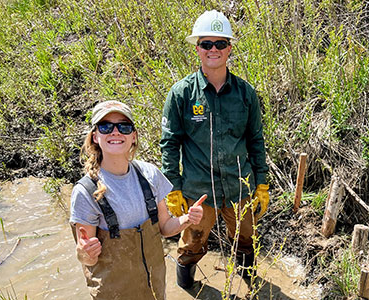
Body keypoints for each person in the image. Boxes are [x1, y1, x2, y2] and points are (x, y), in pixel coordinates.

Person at [160, 10, 270, 289]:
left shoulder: (246, 94)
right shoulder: (182, 94)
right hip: (199, 192)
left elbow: (256, 141)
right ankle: (186, 287)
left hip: (239, 188)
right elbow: (170, 144)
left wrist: (262, 184)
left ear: (229, 48)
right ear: (197, 48)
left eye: (220, 44)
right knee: (191, 244)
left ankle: (249, 281)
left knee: (246, 239)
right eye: (207, 44)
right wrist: (173, 188)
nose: (213, 50)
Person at [69, 100, 206, 300]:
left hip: (155, 287)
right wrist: (84, 252)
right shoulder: (85, 191)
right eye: (106, 126)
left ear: (133, 136)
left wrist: (188, 219)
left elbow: (165, 227)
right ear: (95, 136)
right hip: (113, 292)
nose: (115, 132)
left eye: (123, 127)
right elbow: (87, 260)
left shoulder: (150, 174)